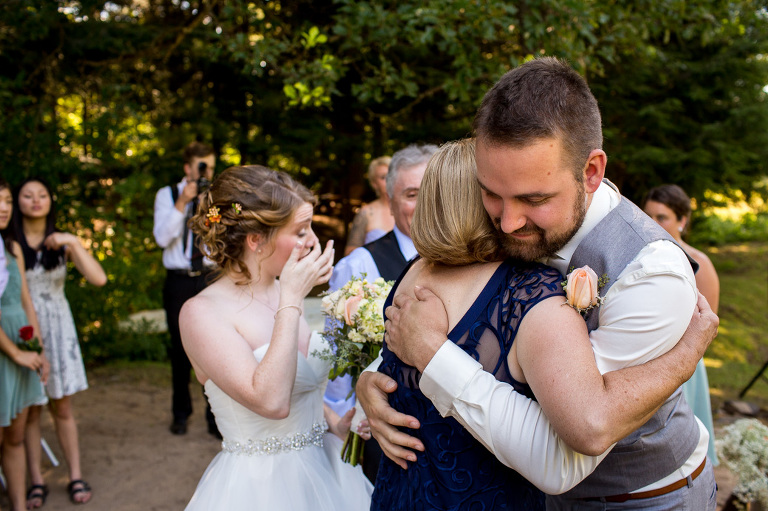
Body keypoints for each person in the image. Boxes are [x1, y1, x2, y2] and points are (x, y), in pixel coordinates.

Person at [359, 57, 719, 509]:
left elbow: (573, 443)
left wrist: (682, 362)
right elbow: (463, 311)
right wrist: (378, 377)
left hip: (642, 499)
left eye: (534, 199)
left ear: (591, 173)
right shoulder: (513, 227)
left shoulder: (650, 274)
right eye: (491, 192)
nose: (508, 223)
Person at [180, 165, 372, 510]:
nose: (313, 240)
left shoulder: (284, 291)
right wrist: (292, 301)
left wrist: (335, 424)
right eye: (300, 231)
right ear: (256, 240)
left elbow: (303, 383)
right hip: (259, 488)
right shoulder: (201, 313)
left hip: (326, 471)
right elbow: (270, 401)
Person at [324, 144, 436, 482]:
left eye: (432, 191)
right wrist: (351, 424)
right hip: (383, 442)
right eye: (413, 194)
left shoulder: (469, 262)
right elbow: (338, 360)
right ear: (390, 201)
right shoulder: (358, 266)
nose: (426, 204)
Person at [13, 178, 106, 507]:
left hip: (59, 327)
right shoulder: (9, 242)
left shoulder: (62, 241)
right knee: (31, 410)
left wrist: (73, 242)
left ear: (51, 201)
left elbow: (99, 278)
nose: (35, 201)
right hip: (23, 330)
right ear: (17, 201)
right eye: (27, 195)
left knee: (63, 406)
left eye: (42, 195)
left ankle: (75, 474)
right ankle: (36, 481)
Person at [643, 184, 720, 465]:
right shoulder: (641, 257)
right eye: (647, 215)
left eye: (661, 217)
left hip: (687, 363)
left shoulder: (700, 263)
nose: (652, 223)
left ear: (682, 221)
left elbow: (709, 326)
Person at [153, 141, 218, 436]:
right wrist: (183, 202)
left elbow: (219, 240)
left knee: (214, 347)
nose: (206, 172)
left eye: (211, 167)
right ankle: (180, 413)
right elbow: (162, 238)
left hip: (208, 277)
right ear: (187, 167)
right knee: (179, 350)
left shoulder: (215, 198)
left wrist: (208, 206)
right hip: (178, 279)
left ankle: (214, 415)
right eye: (201, 166)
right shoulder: (166, 196)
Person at [0, 178, 50, 511]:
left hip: (21, 341)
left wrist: (36, 347)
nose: (3, 208)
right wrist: (14, 351)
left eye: (5, 201)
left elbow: (25, 299)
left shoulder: (12, 247)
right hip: (7, 350)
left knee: (15, 438)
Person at [344, 156, 395, 255]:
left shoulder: (411, 209)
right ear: (374, 183)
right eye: (383, 177)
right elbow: (350, 253)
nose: (389, 180)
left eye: (392, 175)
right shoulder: (366, 213)